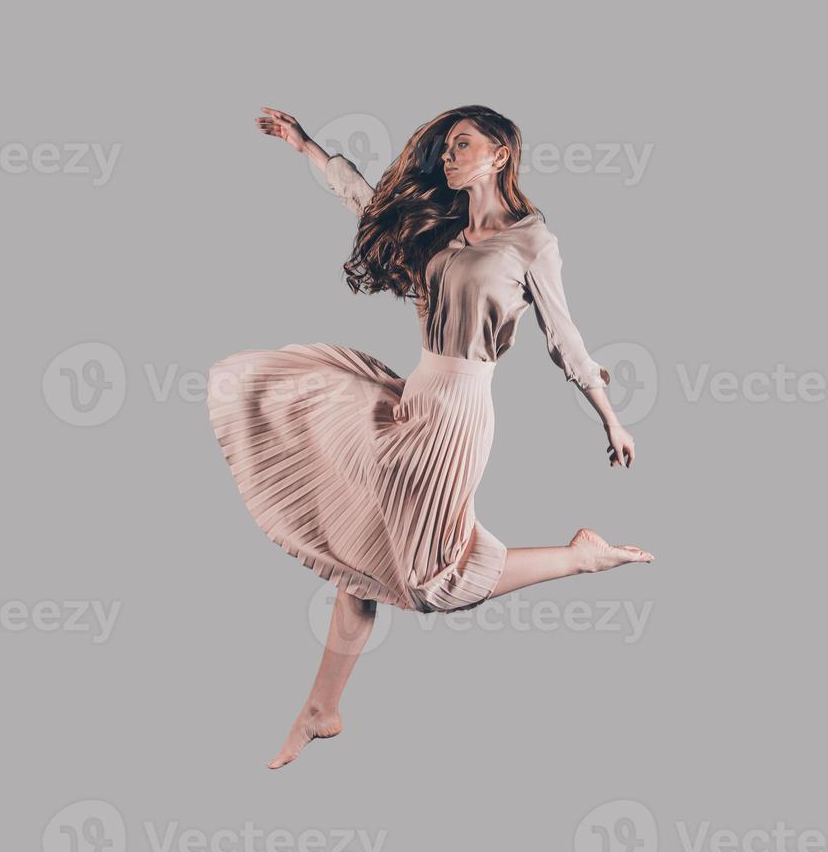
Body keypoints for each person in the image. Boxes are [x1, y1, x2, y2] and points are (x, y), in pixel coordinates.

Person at [208, 104, 654, 769]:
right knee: (360, 560)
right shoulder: (441, 233)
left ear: (500, 153)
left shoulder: (532, 242)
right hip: (411, 397)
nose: (448, 156)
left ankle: (576, 557)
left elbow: (563, 338)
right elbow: (361, 198)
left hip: (457, 416)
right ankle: (321, 709)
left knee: (428, 582)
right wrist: (302, 144)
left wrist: (609, 417)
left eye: (463, 144)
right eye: (444, 147)